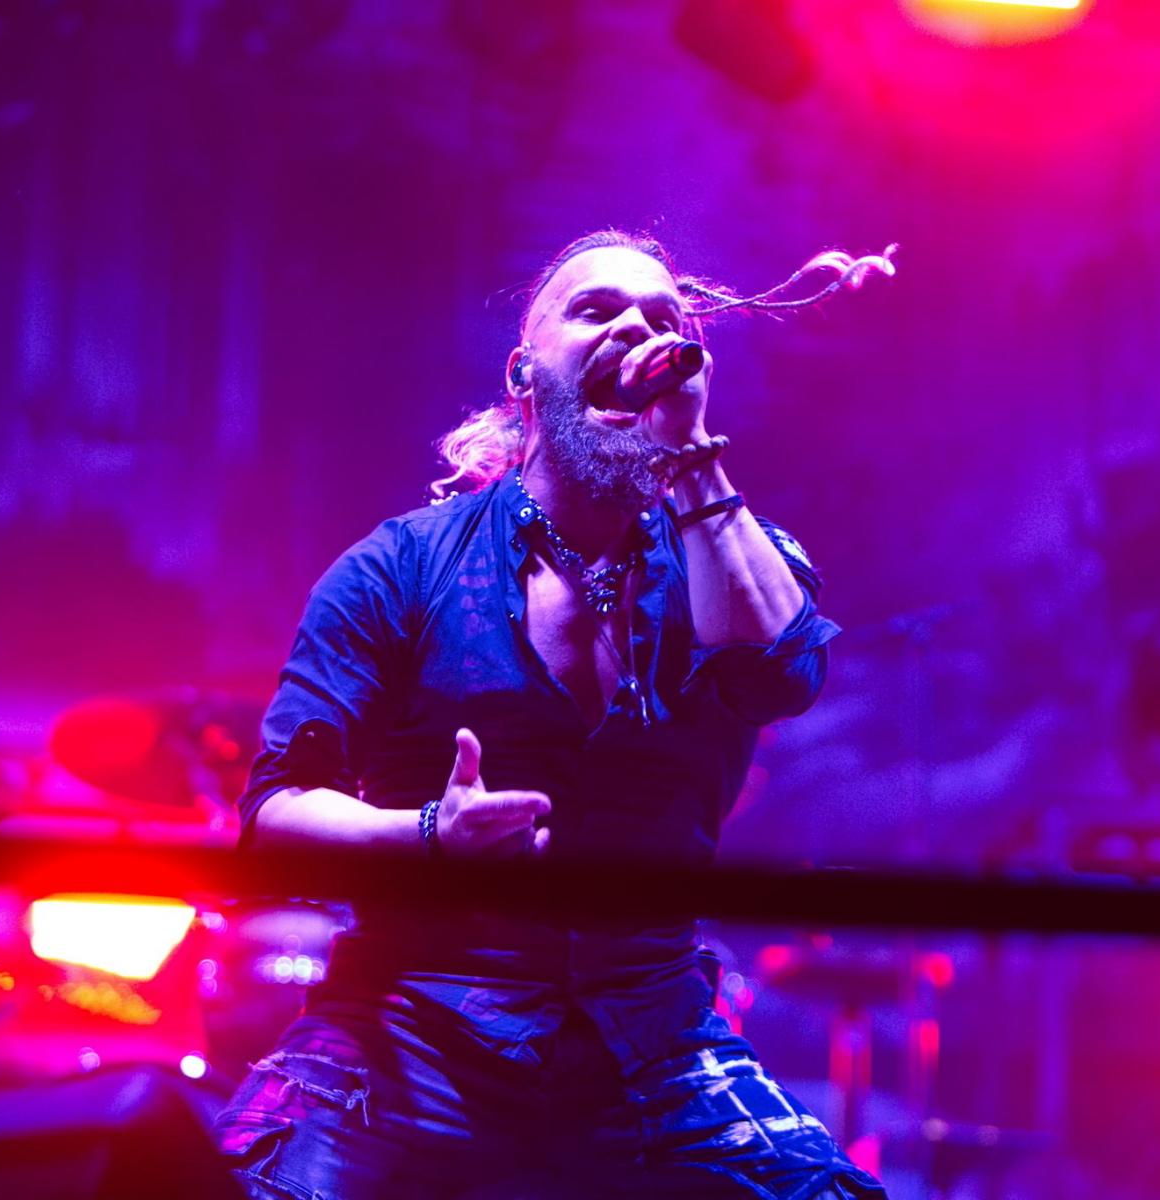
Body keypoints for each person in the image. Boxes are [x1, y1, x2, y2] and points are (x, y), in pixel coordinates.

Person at [211, 230, 886, 1198]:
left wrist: (691, 459)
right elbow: (275, 818)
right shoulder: (400, 567)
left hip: (654, 1035)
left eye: (664, 320)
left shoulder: (730, 545)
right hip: (413, 1019)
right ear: (525, 373)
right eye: (597, 309)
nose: (637, 330)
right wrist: (430, 834)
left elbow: (780, 676)